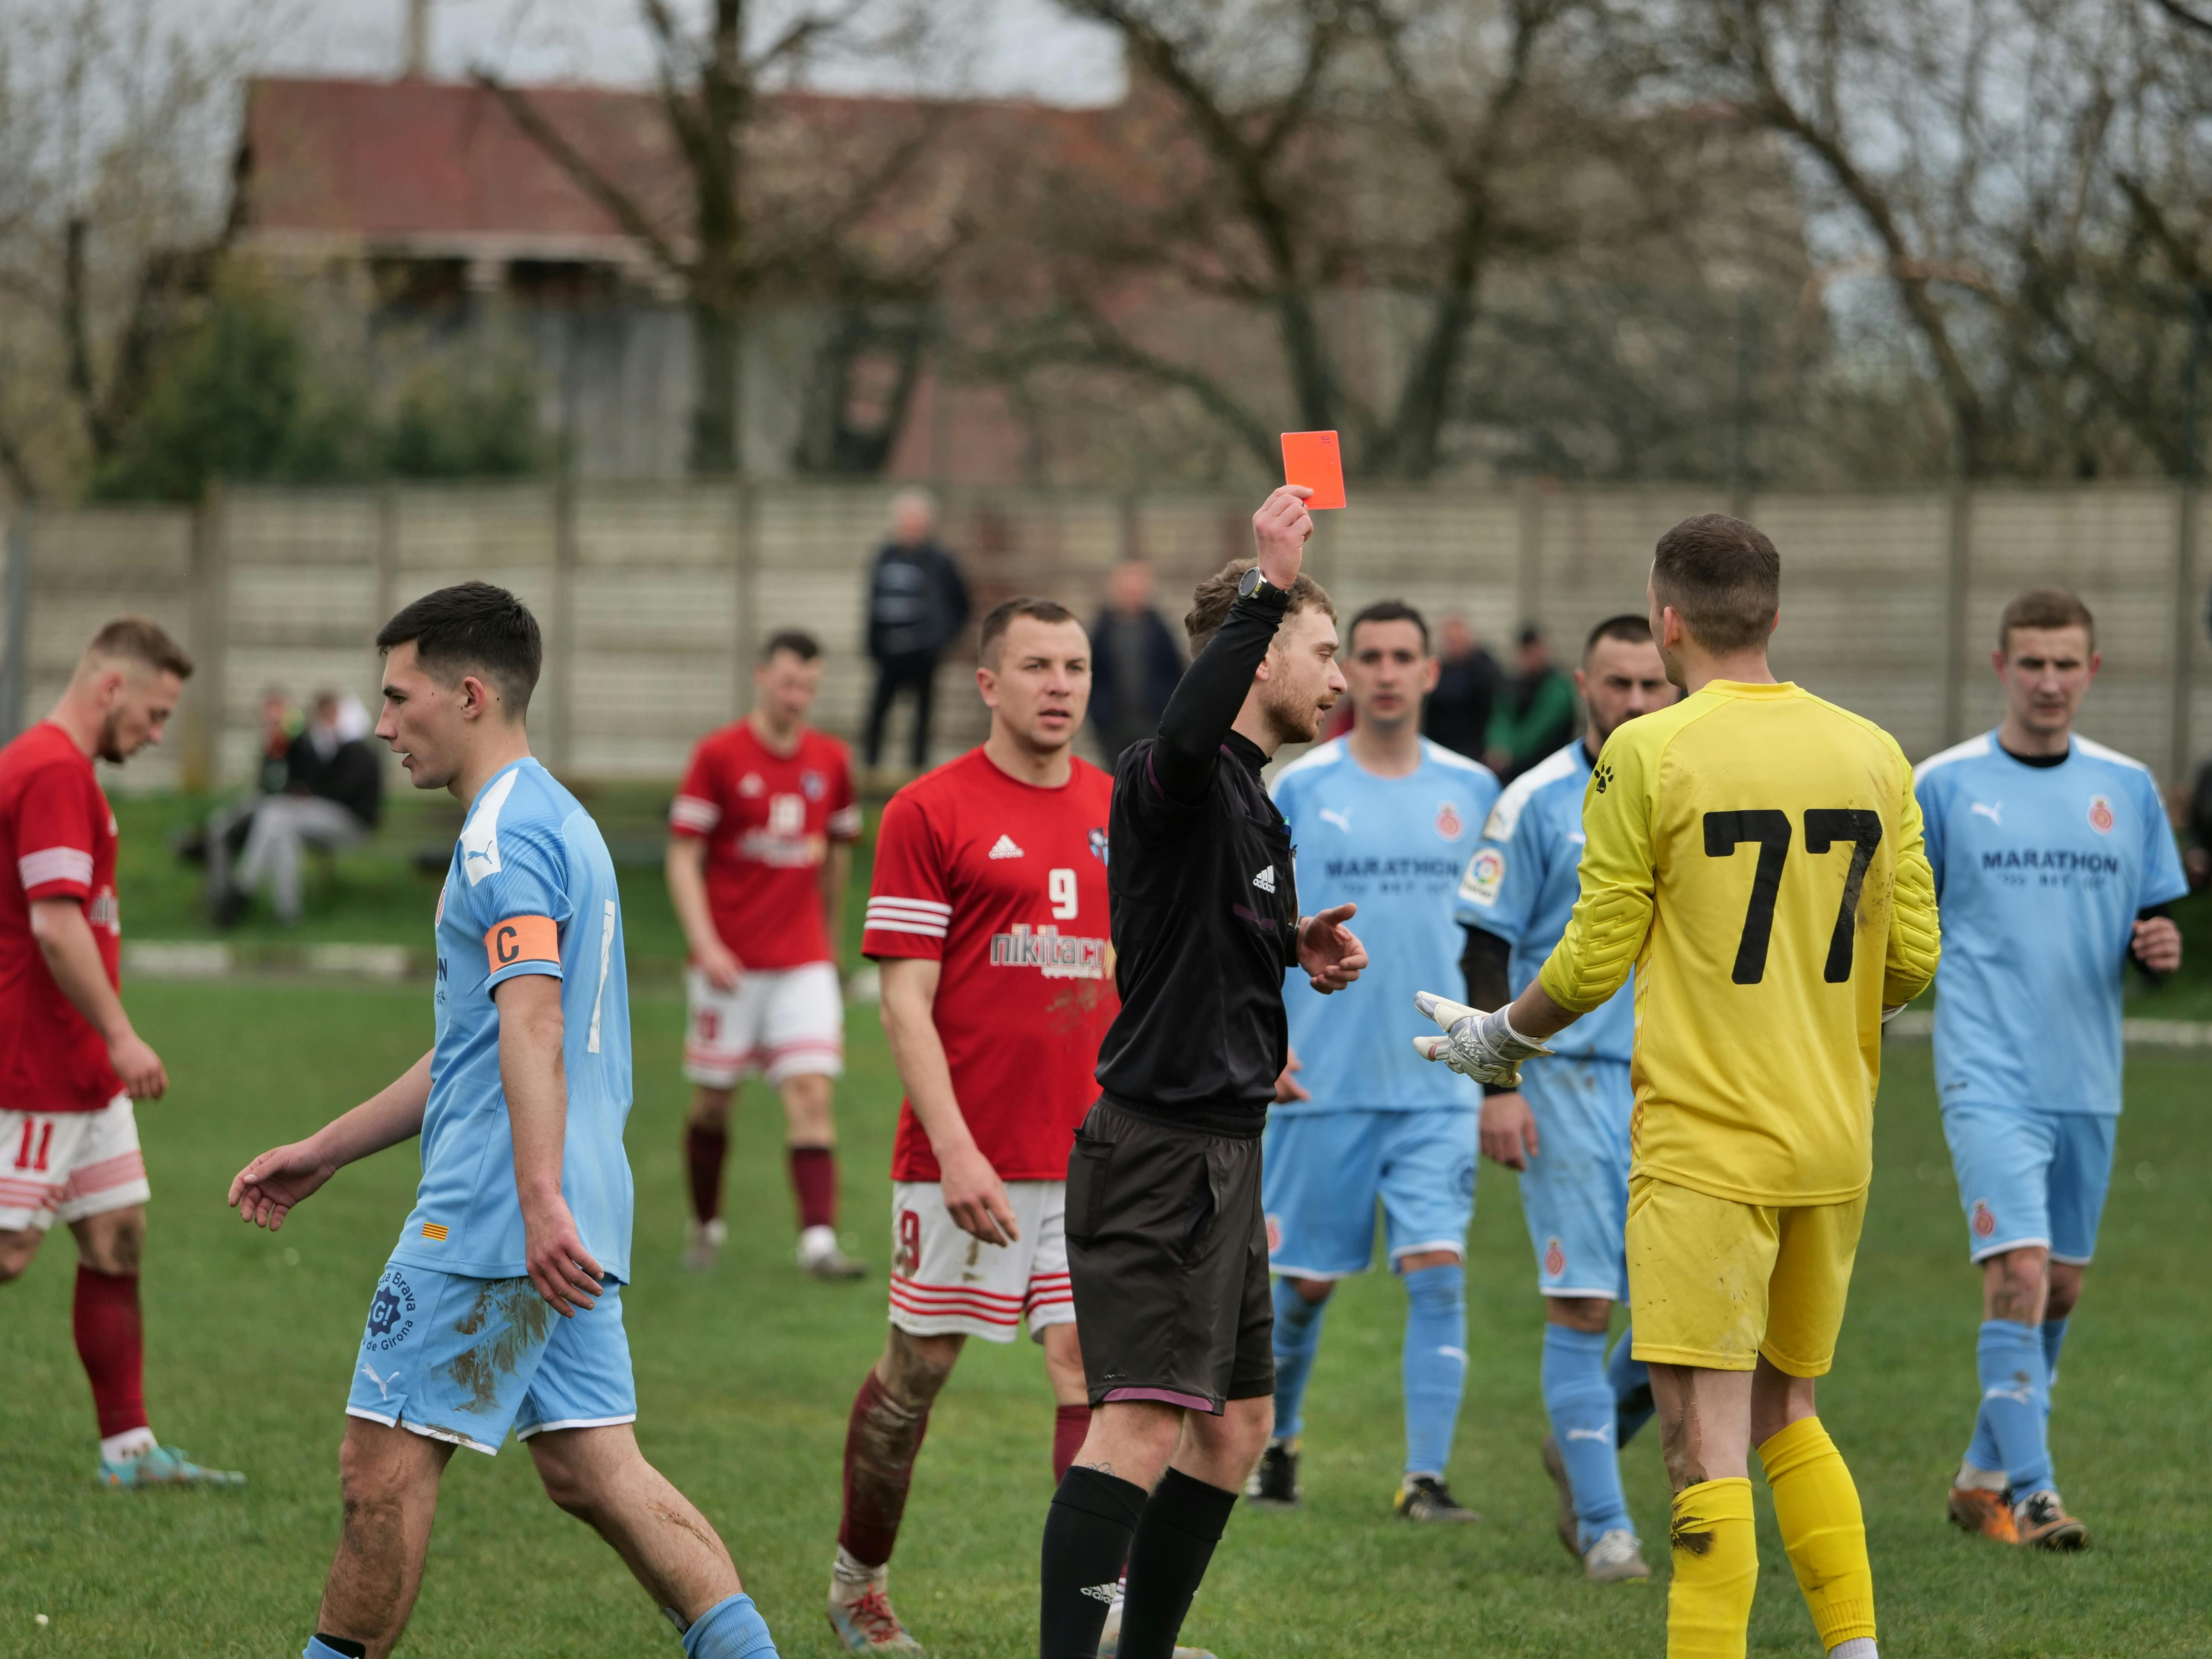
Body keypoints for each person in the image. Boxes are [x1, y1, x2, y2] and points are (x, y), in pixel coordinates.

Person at [1415, 514, 1940, 1659]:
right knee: (1788, 1413)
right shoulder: (1873, 749)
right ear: (1774, 616)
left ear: (1666, 619)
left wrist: (1493, 1043)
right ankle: (1854, 1647)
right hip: (1835, 1141)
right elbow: (1912, 962)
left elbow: (1596, 959)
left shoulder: (1647, 751)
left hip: (1708, 1146)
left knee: (1704, 1447)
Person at [228, 582, 781, 1659]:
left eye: (398, 698)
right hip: (567, 1200)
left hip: (497, 1210)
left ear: (469, 694)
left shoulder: (498, 843)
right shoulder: (556, 819)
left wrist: (530, 1202)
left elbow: (529, 1026)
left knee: (376, 1472)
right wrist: (325, 1149)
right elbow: (479, 1047)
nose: (383, 724)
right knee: (594, 1469)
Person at [1038, 485, 1368, 1659]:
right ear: (1262, 648)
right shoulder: (1167, 772)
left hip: (1226, 1149)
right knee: (1136, 1426)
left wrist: (1288, 948)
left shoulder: (1252, 800)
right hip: (1162, 1154)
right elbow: (1182, 741)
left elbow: (1187, 932)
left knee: (1235, 1433)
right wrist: (1274, 580)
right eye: (1323, 652)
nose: (1343, 680)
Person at [826, 597, 1117, 1653]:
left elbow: (1138, 970)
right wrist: (954, 1149)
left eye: (1075, 666)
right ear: (987, 684)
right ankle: (858, 1584)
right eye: (1035, 665)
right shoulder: (928, 810)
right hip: (960, 1156)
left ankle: (1099, 1617)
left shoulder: (1117, 807)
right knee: (916, 1377)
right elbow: (904, 1000)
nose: (1059, 685)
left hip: (1091, 1151)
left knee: (1091, 1369)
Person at [1913, 588, 2187, 1553]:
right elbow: (1897, 919)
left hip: (2088, 1076)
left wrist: (2157, 947)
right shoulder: (1940, 785)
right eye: (2029, 662)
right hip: (1985, 1069)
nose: (2047, 682)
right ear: (1998, 667)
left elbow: (2155, 925)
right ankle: (2031, 1494)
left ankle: (1978, 1475)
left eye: (2065, 663)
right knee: (2018, 1272)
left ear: (2092, 671)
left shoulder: (2127, 788)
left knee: (2059, 1286)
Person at [1250, 600, 1500, 1524]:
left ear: (1432, 673)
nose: (1389, 671)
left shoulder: (1477, 792)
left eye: (1406, 656)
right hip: (1323, 1079)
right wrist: (1267, 1041)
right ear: (1346, 671)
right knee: (1306, 1283)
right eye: (1371, 656)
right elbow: (1256, 929)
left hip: (1439, 1079)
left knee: (1438, 1268)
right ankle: (1276, 1446)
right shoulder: (1301, 789)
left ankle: (1424, 1481)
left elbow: (1494, 938)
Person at [1455, 613, 1675, 1584]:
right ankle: (1605, 1525)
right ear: (1582, 682)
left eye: (1651, 686)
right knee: (1584, 1302)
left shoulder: (1692, 788)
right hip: (1569, 1078)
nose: (1634, 702)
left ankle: (1579, 1439)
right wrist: (1495, 1083)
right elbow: (1484, 946)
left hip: (1682, 1081)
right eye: (1617, 684)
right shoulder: (1536, 798)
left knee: (1691, 1311)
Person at [0, 617, 243, 1489]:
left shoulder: (65, 771)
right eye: (154, 712)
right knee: (10, 1252)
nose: (156, 732)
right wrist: (123, 1034)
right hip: (33, 1063)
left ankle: (128, 1452)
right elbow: (56, 925)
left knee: (116, 1237)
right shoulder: (53, 769)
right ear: (110, 689)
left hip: (82, 1074)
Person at [668, 631, 865, 1280]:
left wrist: (830, 943)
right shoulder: (719, 755)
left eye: (809, 686)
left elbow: (838, 854)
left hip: (802, 961)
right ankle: (706, 1226)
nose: (797, 697)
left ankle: (818, 1244)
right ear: (760, 677)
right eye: (787, 683)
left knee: (811, 1093)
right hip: (730, 963)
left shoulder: (831, 760)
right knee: (714, 1105)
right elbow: (683, 855)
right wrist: (705, 943)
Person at [215, 690, 385, 926]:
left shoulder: (358, 750)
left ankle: (243, 888)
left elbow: (343, 792)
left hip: (351, 824)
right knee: (281, 830)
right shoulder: (333, 747)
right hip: (330, 818)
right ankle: (287, 914)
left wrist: (310, 795)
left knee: (273, 813)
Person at [863, 490, 971, 774]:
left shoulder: (940, 560)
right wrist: (872, 643)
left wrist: (941, 641)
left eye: (915, 521)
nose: (909, 527)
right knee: (877, 712)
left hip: (924, 654)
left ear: (926, 525)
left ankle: (917, 771)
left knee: (923, 718)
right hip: (888, 652)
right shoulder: (884, 555)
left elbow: (962, 605)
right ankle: (870, 770)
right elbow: (872, 601)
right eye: (905, 521)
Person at [1088, 559, 1184, 770]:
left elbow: (1176, 672)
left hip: (1154, 722)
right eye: (1127, 588)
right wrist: (1098, 713)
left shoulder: (1160, 630)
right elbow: (1092, 673)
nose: (1132, 594)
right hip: (1112, 724)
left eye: (1137, 588)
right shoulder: (1101, 630)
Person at [1484, 624, 1578, 783]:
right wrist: (1498, 745)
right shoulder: (1512, 683)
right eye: (1527, 652)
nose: (1532, 657)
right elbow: (1501, 718)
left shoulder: (1558, 687)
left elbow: (1539, 730)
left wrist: (1508, 752)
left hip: (1551, 770)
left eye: (1535, 650)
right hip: (1517, 772)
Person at [1422, 614, 1500, 763]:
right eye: (1450, 641)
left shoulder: (1485, 671)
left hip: (1476, 750)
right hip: (1443, 749)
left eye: (1457, 640)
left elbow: (1499, 712)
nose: (1454, 645)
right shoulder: (1439, 672)